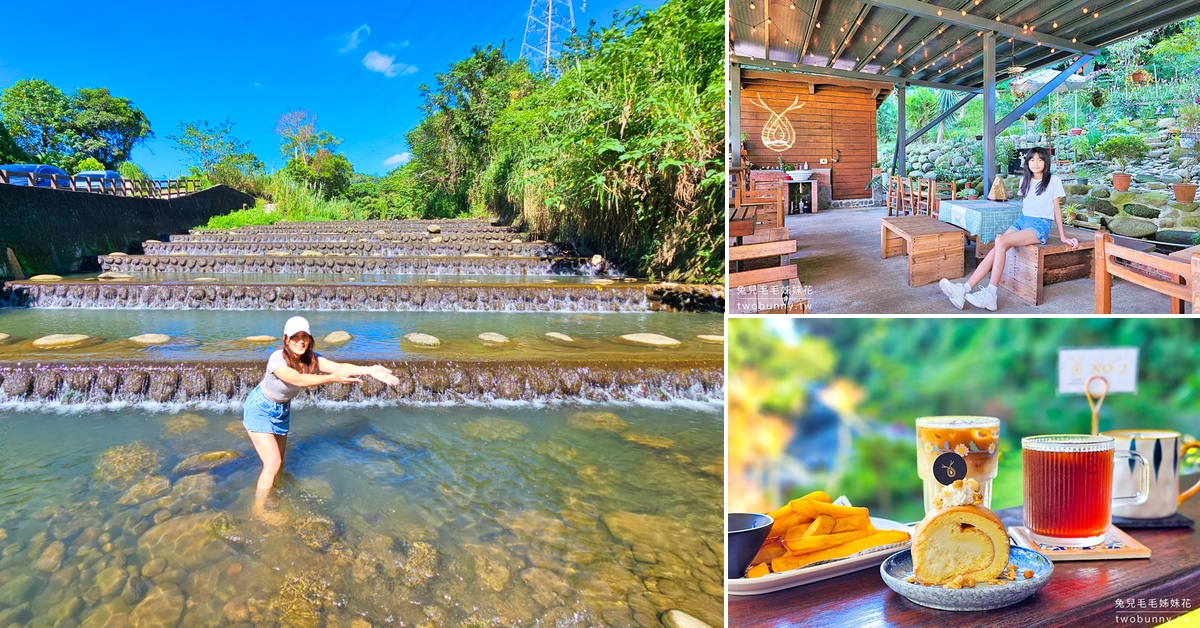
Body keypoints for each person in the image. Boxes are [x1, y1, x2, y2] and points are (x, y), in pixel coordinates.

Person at [243, 316, 399, 516]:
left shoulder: (311, 359)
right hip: (260, 408)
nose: (301, 341)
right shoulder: (277, 359)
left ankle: (274, 493)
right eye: (295, 337)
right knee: (272, 462)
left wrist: (368, 370)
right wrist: (332, 379)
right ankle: (259, 511)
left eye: (305, 336)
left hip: (281, 409)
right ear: (285, 339)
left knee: (280, 461)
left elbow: (339, 367)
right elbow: (298, 380)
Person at [939, 146, 1079, 311]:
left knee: (1001, 241)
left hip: (1040, 224)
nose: (1035, 163)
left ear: (1046, 162)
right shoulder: (1024, 180)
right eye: (1032, 160)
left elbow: (1056, 209)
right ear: (1027, 162)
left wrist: (1062, 236)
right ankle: (963, 290)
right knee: (998, 245)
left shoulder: (1053, 180)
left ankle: (991, 294)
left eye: (1040, 160)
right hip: (1022, 220)